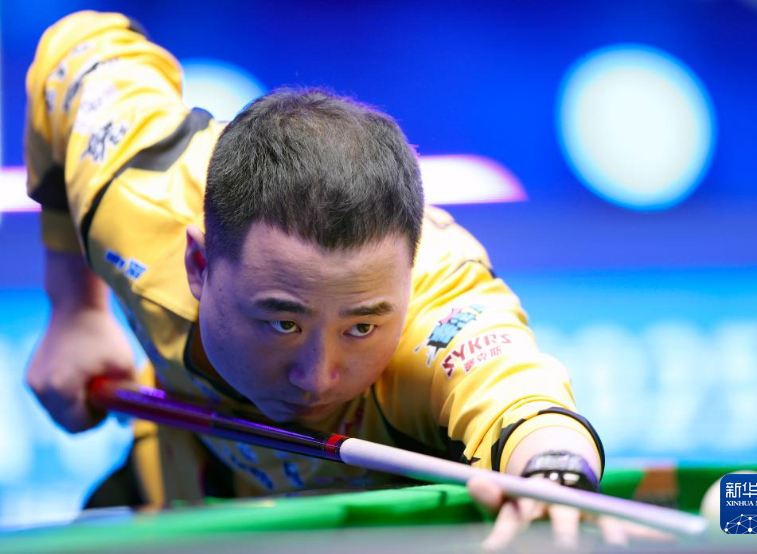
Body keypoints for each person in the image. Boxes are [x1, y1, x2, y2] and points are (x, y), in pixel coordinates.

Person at [23, 10, 655, 550]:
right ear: (199, 265)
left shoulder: (436, 307)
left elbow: (521, 400)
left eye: (361, 328)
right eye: (283, 323)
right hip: (183, 491)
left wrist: (551, 470)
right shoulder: (137, 190)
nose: (317, 376)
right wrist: (75, 310)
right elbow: (76, 49)